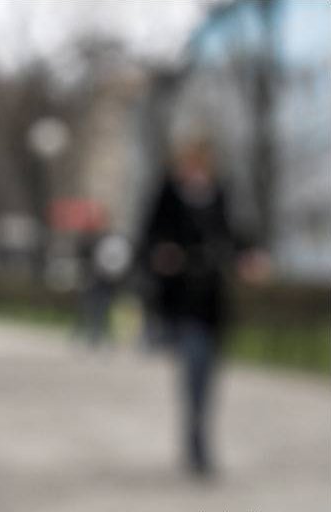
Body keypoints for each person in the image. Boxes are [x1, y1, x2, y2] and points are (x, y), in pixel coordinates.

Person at [139, 140, 267, 476]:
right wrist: (162, 254)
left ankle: (198, 433)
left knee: (209, 372)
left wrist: (248, 257)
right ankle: (197, 442)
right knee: (195, 366)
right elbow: (148, 238)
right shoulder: (168, 193)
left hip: (212, 300)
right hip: (180, 299)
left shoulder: (221, 194)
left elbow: (234, 235)